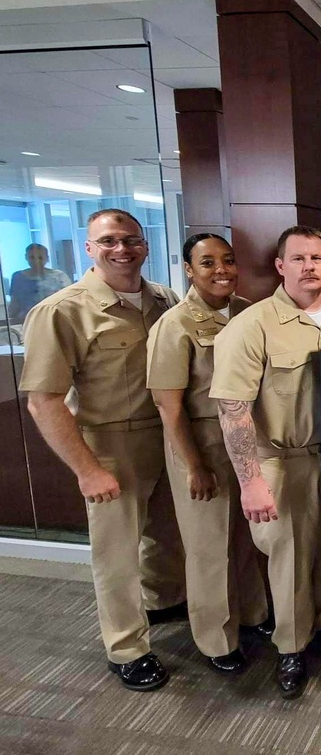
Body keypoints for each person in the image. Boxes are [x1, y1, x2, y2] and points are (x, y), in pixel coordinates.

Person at [21, 209, 185, 691]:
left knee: (165, 534)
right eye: (108, 240)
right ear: (89, 248)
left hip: (166, 435)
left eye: (131, 239)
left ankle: (162, 601)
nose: (122, 249)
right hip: (110, 442)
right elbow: (43, 400)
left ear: (146, 245)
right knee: (117, 553)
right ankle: (126, 647)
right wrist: (87, 470)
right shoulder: (62, 311)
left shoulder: (164, 300)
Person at [210, 225, 321, 699]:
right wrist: (251, 482)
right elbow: (233, 410)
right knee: (288, 556)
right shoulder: (251, 326)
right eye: (298, 259)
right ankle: (291, 645)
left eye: (317, 258)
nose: (309, 267)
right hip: (279, 460)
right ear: (280, 266)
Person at [146, 234, 270, 674]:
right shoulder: (175, 325)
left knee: (246, 538)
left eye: (228, 260)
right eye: (207, 262)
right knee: (209, 547)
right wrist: (194, 466)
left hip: (248, 444)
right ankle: (216, 640)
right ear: (188, 268)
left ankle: (253, 616)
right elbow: (168, 405)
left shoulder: (246, 312)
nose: (221, 269)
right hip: (202, 446)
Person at [8, 243, 71, 324]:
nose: (36, 261)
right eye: (32, 257)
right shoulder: (18, 277)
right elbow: (14, 303)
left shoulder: (59, 276)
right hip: (28, 321)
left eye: (40, 258)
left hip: (55, 321)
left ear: (47, 258)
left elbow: (69, 301)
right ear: (26, 257)